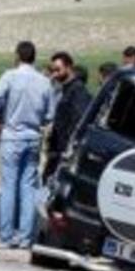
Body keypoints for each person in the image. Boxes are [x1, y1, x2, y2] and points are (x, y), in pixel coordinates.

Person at [0, 41, 55, 249]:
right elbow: (50, 114)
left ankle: (6, 236)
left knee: (8, 186)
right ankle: (25, 237)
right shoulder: (44, 81)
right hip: (33, 137)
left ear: (18, 56)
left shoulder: (10, 77)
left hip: (12, 135)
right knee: (28, 187)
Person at [44, 52, 92, 181]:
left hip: (65, 152)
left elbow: (79, 121)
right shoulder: (65, 89)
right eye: (53, 70)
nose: (54, 74)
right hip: (57, 149)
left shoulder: (78, 91)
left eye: (58, 70)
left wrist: (69, 149)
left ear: (69, 67)